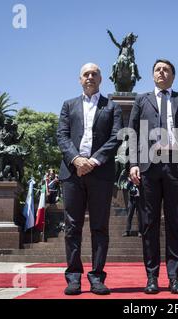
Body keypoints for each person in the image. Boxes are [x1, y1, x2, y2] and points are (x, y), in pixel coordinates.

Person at [128, 59, 178, 294]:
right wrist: (133, 164)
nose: (162, 72)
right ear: (152, 75)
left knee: (174, 223)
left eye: (166, 69)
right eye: (158, 69)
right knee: (149, 224)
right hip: (148, 166)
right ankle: (151, 277)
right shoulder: (142, 99)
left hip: (175, 166)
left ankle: (174, 278)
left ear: (173, 75)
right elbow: (133, 134)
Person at [57, 63, 123, 295]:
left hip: (100, 173)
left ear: (101, 79)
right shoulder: (68, 105)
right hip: (72, 173)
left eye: (94, 74)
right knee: (72, 227)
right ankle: (73, 278)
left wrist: (93, 161)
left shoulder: (112, 107)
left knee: (99, 227)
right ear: (80, 79)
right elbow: (62, 136)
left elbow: (117, 137)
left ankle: (97, 277)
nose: (90, 77)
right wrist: (76, 160)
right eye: (86, 74)